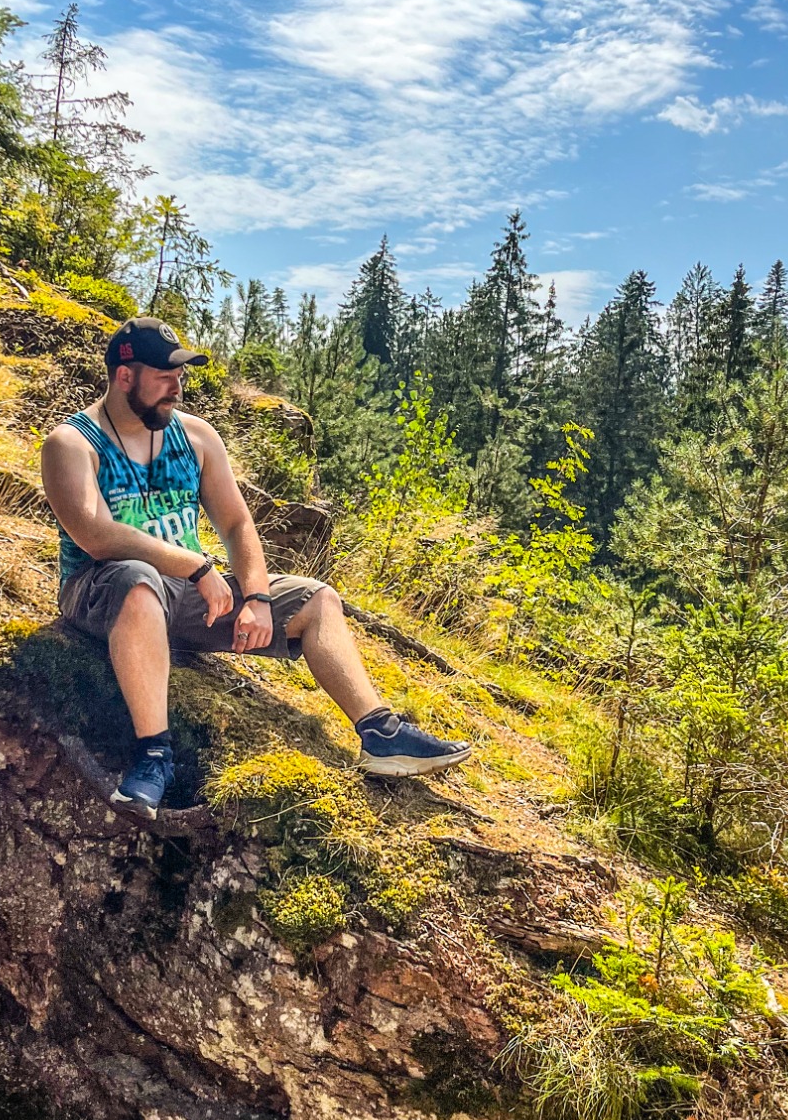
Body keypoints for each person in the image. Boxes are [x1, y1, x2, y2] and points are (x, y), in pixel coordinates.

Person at [40, 316, 472, 818]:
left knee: (318, 599)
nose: (177, 389)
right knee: (138, 581)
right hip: (101, 591)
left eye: (180, 376)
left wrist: (259, 596)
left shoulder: (195, 437)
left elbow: (237, 523)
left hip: (183, 597)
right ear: (124, 376)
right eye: (164, 377)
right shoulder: (72, 443)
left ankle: (381, 733)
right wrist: (197, 566)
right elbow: (95, 536)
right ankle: (154, 758)